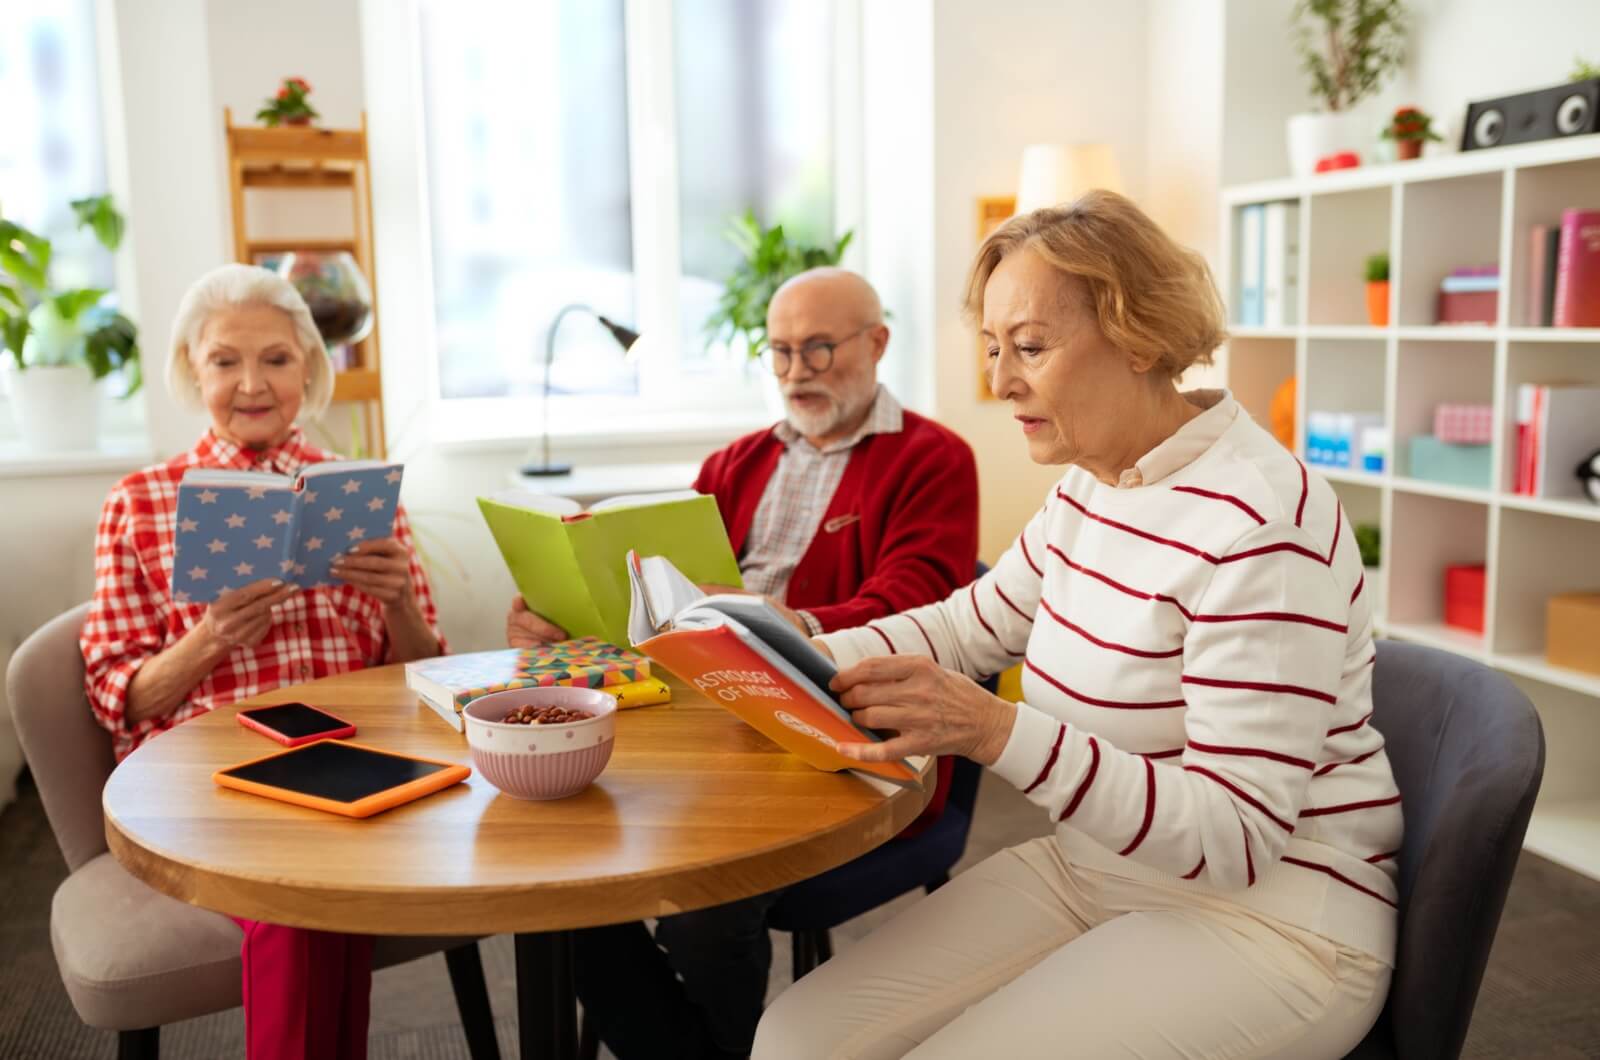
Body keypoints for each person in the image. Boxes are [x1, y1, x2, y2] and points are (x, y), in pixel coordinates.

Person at [752, 191, 1403, 1060]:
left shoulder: (1258, 521)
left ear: (1138, 334)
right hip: (1097, 870)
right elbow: (963, 628)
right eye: (992, 349)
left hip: (1273, 921)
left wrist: (992, 728)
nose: (999, 381)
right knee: (796, 1036)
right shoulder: (1095, 484)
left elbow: (1234, 835)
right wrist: (785, 653)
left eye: (1029, 347)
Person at [506, 267, 980, 1059]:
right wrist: (572, 628)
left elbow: (917, 607)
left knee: (703, 905)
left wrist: (783, 623)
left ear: (878, 343)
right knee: (553, 876)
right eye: (782, 352)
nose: (798, 373)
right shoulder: (733, 465)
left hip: (842, 737)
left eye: (820, 350)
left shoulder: (934, 459)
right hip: (711, 728)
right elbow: (659, 602)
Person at [80, 264, 445, 1060]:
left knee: (321, 875)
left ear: (308, 369)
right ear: (192, 370)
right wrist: (208, 639)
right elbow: (122, 699)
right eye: (224, 361)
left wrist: (398, 604)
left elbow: (426, 675)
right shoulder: (139, 501)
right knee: (299, 889)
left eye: (276, 359)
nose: (252, 383)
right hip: (206, 781)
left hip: (351, 761)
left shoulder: (357, 494)